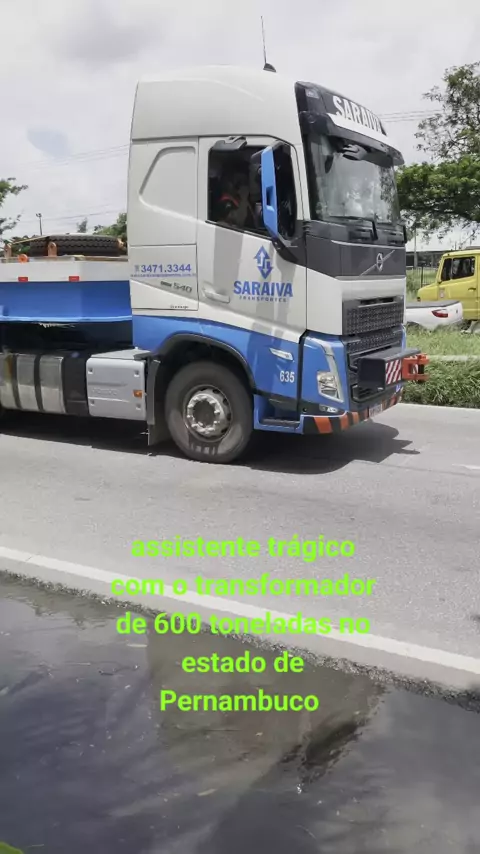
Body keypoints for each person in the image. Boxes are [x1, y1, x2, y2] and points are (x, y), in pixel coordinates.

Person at [216, 164, 256, 230]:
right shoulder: (225, 203)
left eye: (245, 182)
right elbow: (237, 224)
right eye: (239, 182)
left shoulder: (248, 200)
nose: (242, 185)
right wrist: (244, 198)